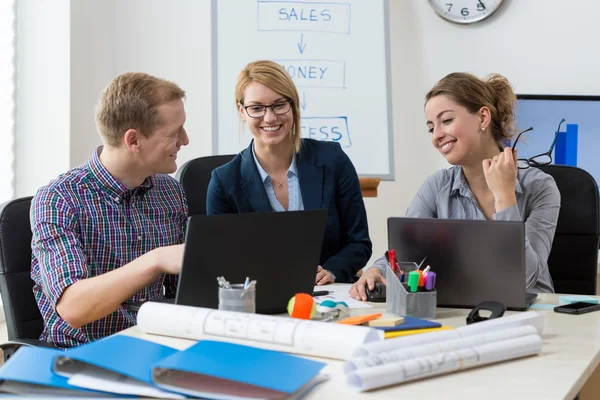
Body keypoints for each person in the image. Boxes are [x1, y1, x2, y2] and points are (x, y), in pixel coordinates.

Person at [350, 72, 560, 300]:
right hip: (461, 309)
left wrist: (505, 197)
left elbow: (525, 279)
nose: (437, 136)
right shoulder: (436, 186)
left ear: (482, 118)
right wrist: (375, 270)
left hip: (533, 314)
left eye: (447, 120)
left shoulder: (540, 187)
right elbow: (405, 253)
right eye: (431, 128)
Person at [30, 72, 190, 348]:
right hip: (82, 357)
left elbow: (185, 295)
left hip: (153, 347)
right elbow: (73, 308)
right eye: (175, 132)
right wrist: (156, 260)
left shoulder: (170, 192)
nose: (185, 140)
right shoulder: (58, 199)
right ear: (133, 140)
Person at [206, 60, 372, 284]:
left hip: (328, 295)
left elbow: (359, 242)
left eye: (279, 104)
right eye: (256, 108)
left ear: (293, 105)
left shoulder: (333, 160)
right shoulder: (224, 181)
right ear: (242, 111)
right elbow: (222, 258)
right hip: (260, 297)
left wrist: (333, 270)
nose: (270, 118)